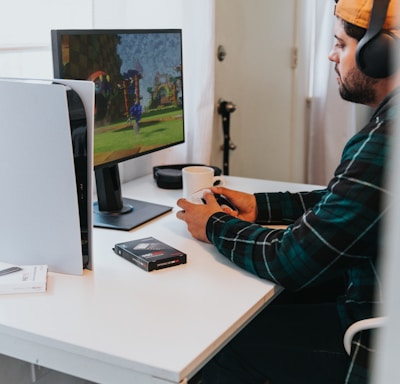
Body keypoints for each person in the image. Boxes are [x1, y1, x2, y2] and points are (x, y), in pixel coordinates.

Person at [177, 0, 400, 383]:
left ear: (379, 54)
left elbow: (291, 260)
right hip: (377, 310)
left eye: (341, 44)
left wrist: (213, 224)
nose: (331, 55)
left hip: (376, 347)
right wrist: (261, 207)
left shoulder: (387, 140)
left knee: (212, 349)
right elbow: (350, 204)